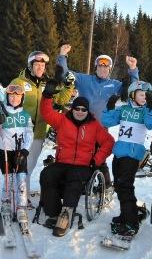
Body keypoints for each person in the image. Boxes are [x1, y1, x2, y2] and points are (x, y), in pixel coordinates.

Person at [57, 44, 139, 193]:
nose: (103, 69)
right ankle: (80, 183)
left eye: (106, 67)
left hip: (101, 128)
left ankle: (106, 186)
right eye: (100, 66)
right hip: (82, 127)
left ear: (109, 69)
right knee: (81, 157)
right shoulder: (84, 79)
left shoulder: (115, 85)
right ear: (96, 67)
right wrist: (62, 56)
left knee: (99, 157)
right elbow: (65, 75)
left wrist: (133, 69)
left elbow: (134, 89)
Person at [39, 80, 114, 237]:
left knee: (74, 179)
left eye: (83, 110)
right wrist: (47, 96)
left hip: (83, 165)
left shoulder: (94, 126)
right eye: (77, 109)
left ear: (88, 111)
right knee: (47, 174)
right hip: (62, 162)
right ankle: (53, 212)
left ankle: (67, 213)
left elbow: (109, 142)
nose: (80, 112)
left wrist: (97, 159)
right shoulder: (62, 120)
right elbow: (46, 113)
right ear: (72, 109)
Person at [9, 51, 74, 200]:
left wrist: (69, 86)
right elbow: (10, 103)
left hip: (38, 133)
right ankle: (16, 197)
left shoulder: (47, 84)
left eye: (42, 65)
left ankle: (22, 197)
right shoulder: (18, 82)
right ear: (30, 66)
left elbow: (61, 100)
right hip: (21, 132)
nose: (40, 68)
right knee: (19, 166)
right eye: (37, 64)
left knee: (29, 166)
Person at [101, 80, 152, 236]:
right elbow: (106, 121)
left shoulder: (146, 111)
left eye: (147, 95)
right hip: (119, 152)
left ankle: (131, 222)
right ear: (132, 95)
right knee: (119, 186)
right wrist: (110, 107)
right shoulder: (124, 109)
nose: (144, 97)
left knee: (125, 186)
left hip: (132, 155)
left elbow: (151, 124)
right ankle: (126, 214)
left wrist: (151, 107)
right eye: (141, 95)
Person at [0, 84, 34, 215]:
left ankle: (21, 206)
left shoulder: (26, 115)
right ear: (7, 97)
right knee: (8, 179)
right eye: (11, 95)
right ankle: (6, 201)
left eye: (18, 95)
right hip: (5, 151)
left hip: (20, 152)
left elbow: (30, 134)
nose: (14, 98)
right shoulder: (1, 113)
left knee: (21, 179)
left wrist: (26, 150)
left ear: (22, 97)